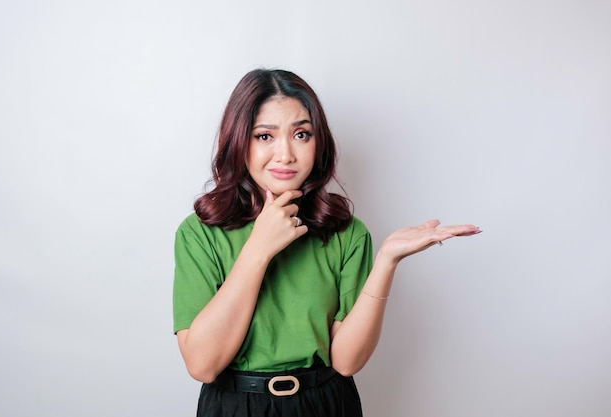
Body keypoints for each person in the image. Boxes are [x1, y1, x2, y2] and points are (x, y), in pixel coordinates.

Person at [173, 68, 481, 417]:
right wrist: (258, 249)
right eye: (264, 136)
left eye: (301, 134)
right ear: (238, 141)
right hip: (235, 405)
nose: (285, 154)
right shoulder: (200, 232)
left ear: (318, 143)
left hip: (326, 403)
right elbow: (202, 365)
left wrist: (386, 261)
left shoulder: (347, 233)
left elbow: (346, 361)